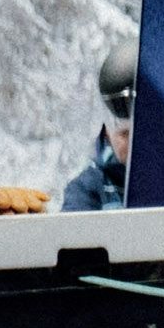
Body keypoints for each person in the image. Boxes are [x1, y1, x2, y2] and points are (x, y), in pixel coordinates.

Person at [58, 41, 133, 212]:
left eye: (141, 134)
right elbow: (74, 234)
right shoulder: (88, 187)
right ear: (107, 134)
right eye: (124, 134)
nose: (133, 144)